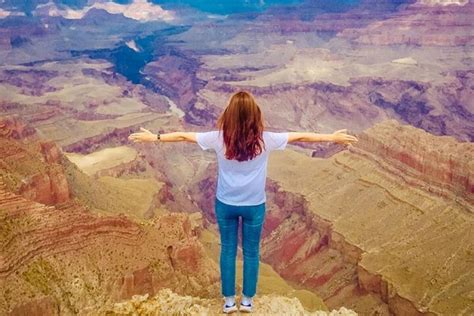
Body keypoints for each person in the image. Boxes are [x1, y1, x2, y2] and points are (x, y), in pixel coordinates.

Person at [128, 91, 358, 314]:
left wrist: (154, 137)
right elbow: (301, 136)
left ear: (228, 114)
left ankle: (229, 302)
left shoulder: (218, 138)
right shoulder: (266, 139)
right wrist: (332, 137)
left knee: (227, 251)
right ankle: (247, 301)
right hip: (254, 206)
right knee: (251, 252)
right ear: (255, 115)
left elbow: (183, 136)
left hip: (225, 204)